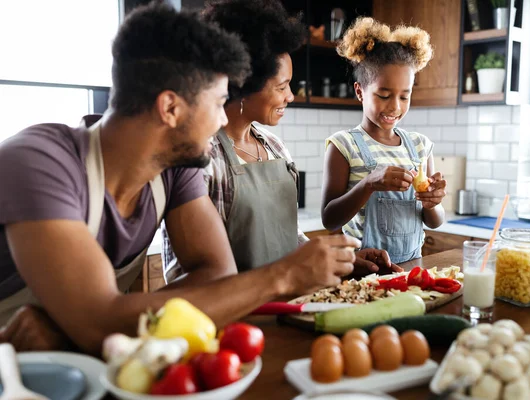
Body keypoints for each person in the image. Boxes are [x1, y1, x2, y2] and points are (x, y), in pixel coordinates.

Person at [0, 3, 360, 354]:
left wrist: (77, 324)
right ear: (170, 108)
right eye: (219, 102)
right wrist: (282, 276)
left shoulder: (175, 167)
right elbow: (98, 322)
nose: (222, 120)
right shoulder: (38, 163)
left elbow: (218, 276)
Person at [162, 0, 401, 281]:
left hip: (290, 306)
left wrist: (343, 261)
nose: (290, 96)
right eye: (282, 86)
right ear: (244, 84)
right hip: (235, 318)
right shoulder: (203, 158)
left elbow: (286, 239)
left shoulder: (275, 147)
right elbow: (181, 275)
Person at [321, 17, 448, 264]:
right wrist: (368, 183)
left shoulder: (421, 146)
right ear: (360, 92)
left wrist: (433, 203)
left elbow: (434, 221)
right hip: (363, 273)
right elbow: (329, 219)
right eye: (384, 95)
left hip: (412, 268)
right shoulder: (343, 146)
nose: (395, 107)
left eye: (404, 96)